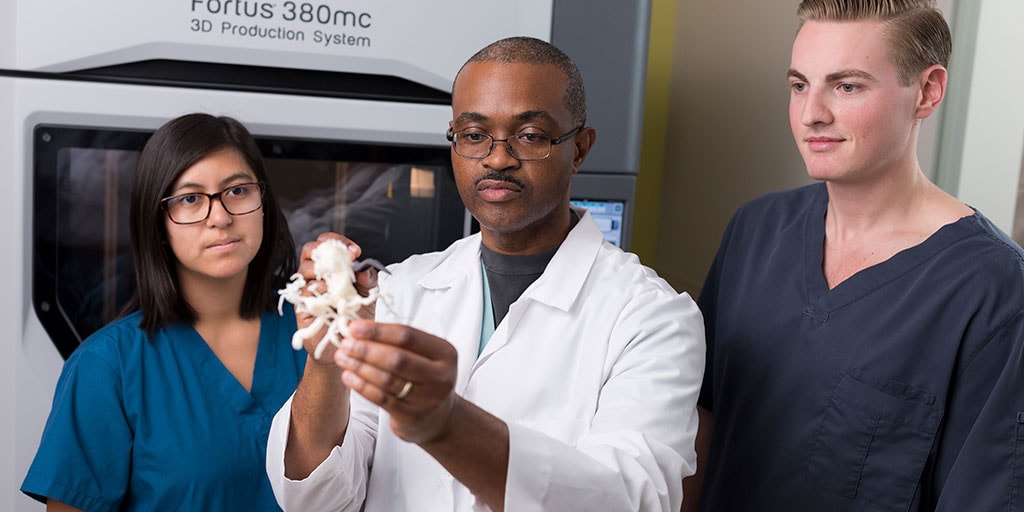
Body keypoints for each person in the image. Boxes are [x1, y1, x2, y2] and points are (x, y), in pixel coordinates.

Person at [265, 36, 706, 512]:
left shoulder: (654, 317)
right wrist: (326, 365)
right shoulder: (399, 290)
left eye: (531, 135)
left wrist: (448, 424)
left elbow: (632, 501)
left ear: (579, 148)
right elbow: (316, 498)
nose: (497, 159)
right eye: (474, 135)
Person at [693, 1, 1024, 510]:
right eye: (800, 85)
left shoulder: (992, 288)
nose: (811, 114)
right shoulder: (755, 230)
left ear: (928, 91)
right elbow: (702, 418)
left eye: (846, 86)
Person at [21, 113, 306, 511]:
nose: (220, 217)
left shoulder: (317, 332)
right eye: (190, 199)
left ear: (263, 205)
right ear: (158, 226)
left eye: (238, 190)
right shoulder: (107, 366)